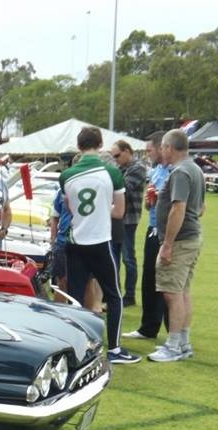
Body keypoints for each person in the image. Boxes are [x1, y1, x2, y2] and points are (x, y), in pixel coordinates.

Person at [60, 125, 140, 364]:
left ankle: (74, 347)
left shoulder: (67, 175)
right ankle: (114, 349)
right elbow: (120, 212)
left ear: (79, 146)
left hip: (76, 241)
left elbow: (69, 208)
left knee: (74, 297)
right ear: (100, 144)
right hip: (100, 241)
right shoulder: (112, 173)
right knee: (113, 295)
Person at [147, 129, 206, 362]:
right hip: (192, 237)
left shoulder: (181, 172)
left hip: (180, 241)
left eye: (163, 146)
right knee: (182, 292)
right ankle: (183, 343)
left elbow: (178, 208)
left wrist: (168, 244)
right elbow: (200, 208)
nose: (161, 150)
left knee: (172, 294)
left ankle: (173, 346)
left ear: (170, 147)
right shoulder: (195, 169)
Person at [123, 131, 170, 341]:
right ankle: (148, 328)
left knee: (167, 284)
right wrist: (150, 201)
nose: (148, 154)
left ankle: (174, 334)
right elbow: (150, 201)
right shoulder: (157, 170)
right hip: (152, 228)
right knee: (149, 279)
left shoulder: (174, 171)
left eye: (150, 150)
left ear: (162, 147)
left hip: (166, 232)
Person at [111, 140, 144, 305]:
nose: (115, 159)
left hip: (129, 219)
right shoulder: (119, 169)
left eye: (117, 155)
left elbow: (125, 188)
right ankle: (114, 292)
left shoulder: (138, 167)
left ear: (126, 151)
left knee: (128, 258)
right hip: (116, 218)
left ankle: (130, 295)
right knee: (114, 257)